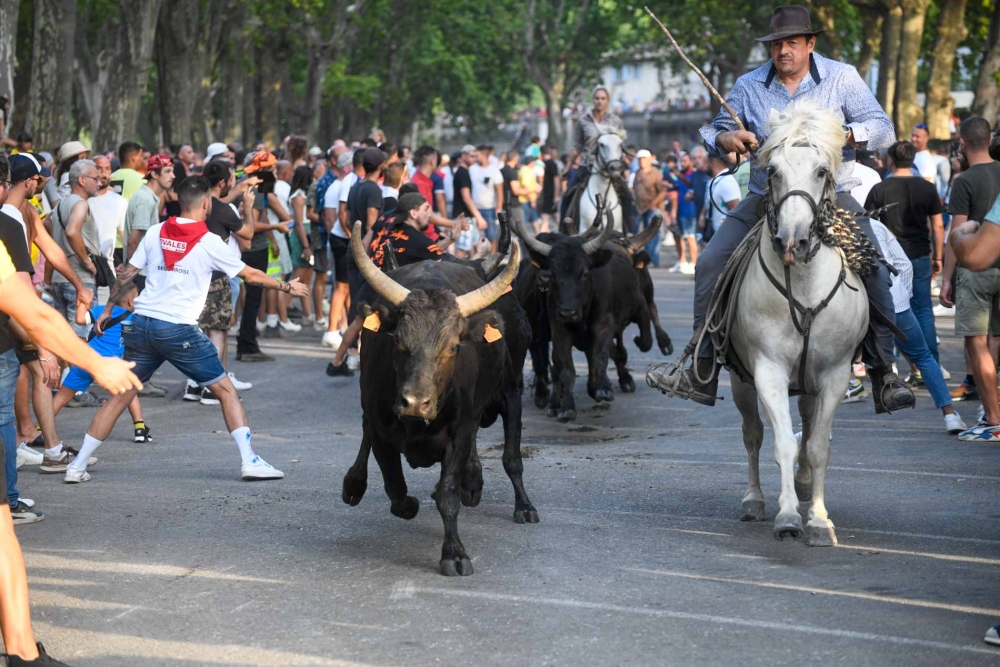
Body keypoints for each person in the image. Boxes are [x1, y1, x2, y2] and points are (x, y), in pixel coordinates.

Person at [648, 4, 912, 415]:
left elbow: (882, 128)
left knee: (873, 259)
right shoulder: (749, 84)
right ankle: (700, 367)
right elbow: (712, 130)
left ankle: (883, 370)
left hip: (829, 194)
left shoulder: (842, 77)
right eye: (776, 44)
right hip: (764, 196)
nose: (783, 51)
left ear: (810, 43)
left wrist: (843, 134)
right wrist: (728, 138)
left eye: (792, 42)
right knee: (709, 261)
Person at [65, 176, 309, 484]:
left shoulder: (155, 232)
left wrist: (111, 309)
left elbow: (127, 274)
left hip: (142, 325)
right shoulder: (209, 242)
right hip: (178, 330)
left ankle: (77, 466)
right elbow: (251, 275)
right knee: (226, 391)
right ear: (206, 203)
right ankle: (250, 461)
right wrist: (287, 285)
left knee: (121, 395)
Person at [870, 220, 966, 433]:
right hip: (896, 304)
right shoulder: (876, 225)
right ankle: (950, 415)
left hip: (858, 308)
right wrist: (902, 295)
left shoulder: (830, 226)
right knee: (923, 357)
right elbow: (903, 265)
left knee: (833, 366)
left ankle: (818, 427)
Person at [864, 141, 944, 378]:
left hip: (890, 261)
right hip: (920, 255)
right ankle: (930, 365)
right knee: (923, 311)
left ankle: (892, 365)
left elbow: (868, 223)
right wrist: (938, 255)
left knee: (890, 312)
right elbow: (938, 225)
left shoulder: (880, 189)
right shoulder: (927, 188)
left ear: (891, 159)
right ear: (913, 159)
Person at [940, 117, 1000, 434]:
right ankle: (991, 410)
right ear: (989, 139)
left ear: (962, 143)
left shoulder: (964, 182)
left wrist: (946, 278)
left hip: (976, 268)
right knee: (996, 338)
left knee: (976, 342)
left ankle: (992, 419)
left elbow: (956, 234)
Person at [182, 161, 256, 403]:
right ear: (223, 183)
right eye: (232, 179)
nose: (234, 183)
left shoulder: (193, 202)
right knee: (217, 332)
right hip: (215, 278)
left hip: (190, 275)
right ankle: (212, 389)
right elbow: (248, 235)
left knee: (197, 331)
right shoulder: (224, 210)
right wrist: (247, 206)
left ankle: (193, 384)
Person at [52, 283, 150, 442]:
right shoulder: (135, 318)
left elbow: (79, 319)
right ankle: (140, 429)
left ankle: (41, 429)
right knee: (129, 393)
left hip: (86, 361)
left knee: (62, 397)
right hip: (109, 368)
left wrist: (83, 302)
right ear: (131, 302)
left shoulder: (101, 311)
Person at [326, 148, 385, 376]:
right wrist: (373, 249)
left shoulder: (355, 186)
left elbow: (349, 217)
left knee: (356, 300)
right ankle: (358, 352)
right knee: (367, 302)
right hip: (367, 251)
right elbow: (372, 223)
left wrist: (356, 241)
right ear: (380, 167)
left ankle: (351, 352)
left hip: (355, 246)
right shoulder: (372, 190)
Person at [50, 160, 102, 338]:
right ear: (82, 180)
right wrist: (87, 261)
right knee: (81, 338)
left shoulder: (60, 205)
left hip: (60, 278)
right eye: (95, 178)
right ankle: (74, 368)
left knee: (63, 338)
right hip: (80, 279)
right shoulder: (80, 204)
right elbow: (72, 231)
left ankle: (64, 368)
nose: (100, 183)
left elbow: (45, 224)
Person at [561, 86, 624, 221]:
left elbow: (619, 144)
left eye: (603, 98)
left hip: (611, 166)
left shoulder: (616, 121)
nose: (600, 101)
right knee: (568, 195)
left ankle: (629, 232)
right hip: (587, 165)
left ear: (607, 101)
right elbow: (577, 146)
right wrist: (567, 167)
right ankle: (564, 229)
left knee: (628, 197)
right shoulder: (583, 120)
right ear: (593, 100)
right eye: (597, 98)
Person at [321, 150, 355, 349]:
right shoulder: (337, 187)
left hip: (340, 240)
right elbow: (331, 218)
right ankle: (333, 330)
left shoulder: (341, 184)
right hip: (339, 241)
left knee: (346, 288)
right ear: (347, 167)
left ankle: (344, 326)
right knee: (340, 288)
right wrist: (347, 237)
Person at [633, 149, 666, 267]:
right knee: (636, 233)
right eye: (639, 159)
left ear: (649, 160)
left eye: (644, 159)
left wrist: (654, 203)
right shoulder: (637, 173)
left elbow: (662, 192)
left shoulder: (656, 174)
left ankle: (653, 259)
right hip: (639, 207)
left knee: (652, 233)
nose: (641, 161)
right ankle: (638, 259)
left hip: (652, 207)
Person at [468, 146, 504, 254]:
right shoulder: (472, 169)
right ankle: (477, 258)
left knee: (492, 235)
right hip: (474, 209)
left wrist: (499, 207)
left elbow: (500, 190)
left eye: (477, 155)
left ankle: (492, 258)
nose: (475, 158)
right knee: (475, 237)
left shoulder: (494, 170)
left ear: (484, 156)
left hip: (489, 208)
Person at [700, 153, 742, 240]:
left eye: (707, 163)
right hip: (717, 233)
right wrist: (702, 215)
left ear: (713, 163)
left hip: (725, 236)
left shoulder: (727, 182)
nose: (705, 166)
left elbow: (736, 210)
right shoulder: (717, 180)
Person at [452, 145, 481, 259]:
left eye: (475, 156)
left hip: (466, 216)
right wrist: (479, 217)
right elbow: (466, 197)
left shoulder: (464, 172)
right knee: (462, 249)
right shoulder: (462, 173)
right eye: (471, 156)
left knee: (473, 246)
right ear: (463, 156)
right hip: (464, 217)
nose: (474, 159)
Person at [673, 152, 698, 274]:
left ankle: (694, 263)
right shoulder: (682, 174)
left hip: (690, 211)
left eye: (685, 161)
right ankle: (683, 262)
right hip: (681, 210)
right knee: (683, 237)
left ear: (691, 162)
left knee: (690, 237)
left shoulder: (693, 174)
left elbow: (691, 185)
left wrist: (680, 176)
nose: (682, 164)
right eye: (680, 161)